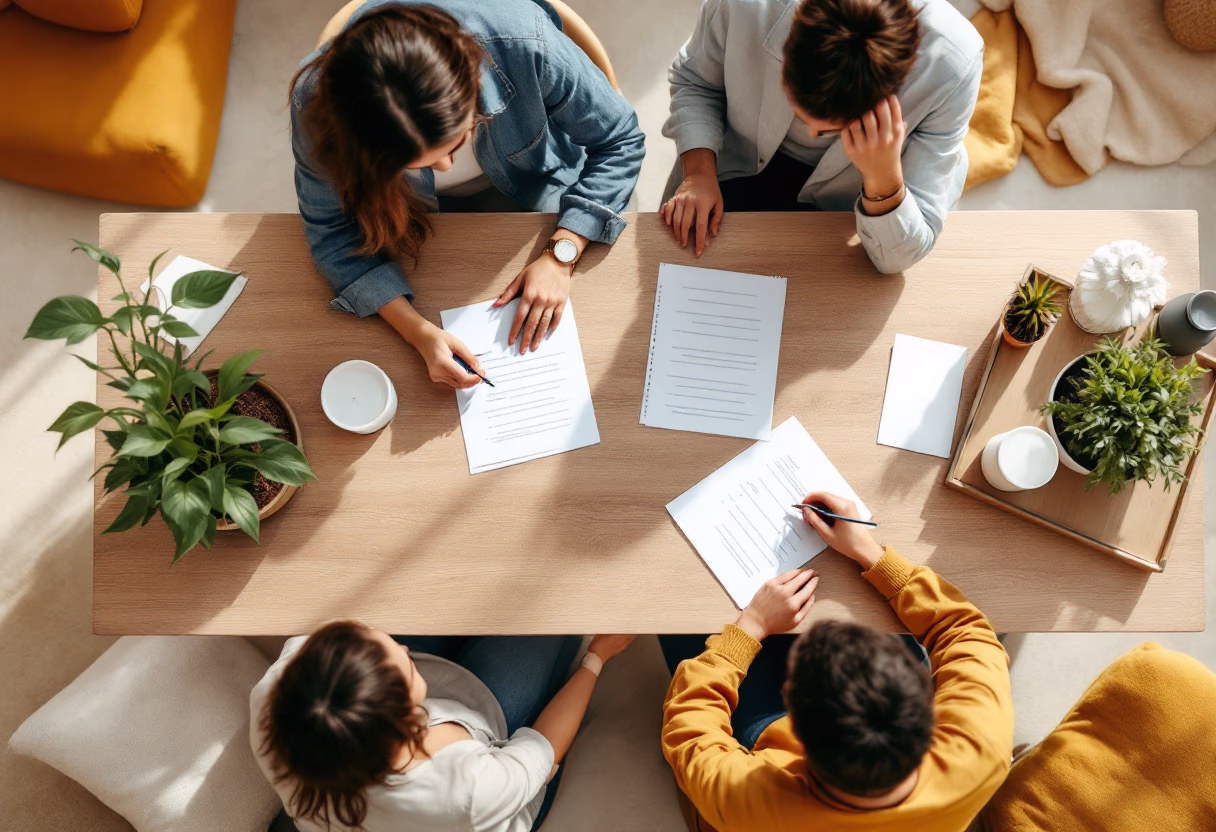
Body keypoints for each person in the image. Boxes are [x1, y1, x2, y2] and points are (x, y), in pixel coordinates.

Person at [291, 0, 645, 387]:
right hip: (410, 219)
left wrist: (563, 252)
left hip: (540, 180)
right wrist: (418, 333)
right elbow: (333, 233)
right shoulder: (321, 104)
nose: (444, 168)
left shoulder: (523, 42)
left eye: (456, 139)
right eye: (412, 162)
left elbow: (620, 141)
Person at [660, 491, 1013, 832]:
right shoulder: (980, 750)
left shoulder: (747, 804)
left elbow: (688, 727)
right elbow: (967, 632)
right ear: (929, 705)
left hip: (757, 748)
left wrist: (751, 628)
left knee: (679, 622)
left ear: (795, 730)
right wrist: (870, 552)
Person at [660, 0, 983, 272]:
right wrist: (698, 173)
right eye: (799, 110)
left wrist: (884, 178)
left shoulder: (954, 65)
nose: (812, 134)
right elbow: (695, 80)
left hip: (848, 208)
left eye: (831, 129)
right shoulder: (746, 6)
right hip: (724, 162)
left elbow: (897, 258)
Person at [251, 621, 635, 831]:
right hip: (498, 770)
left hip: (420, 726)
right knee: (551, 611)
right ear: (410, 719)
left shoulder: (279, 696)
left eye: (381, 642)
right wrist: (598, 656)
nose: (401, 648)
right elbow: (541, 747)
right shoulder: (464, 792)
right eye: (405, 667)